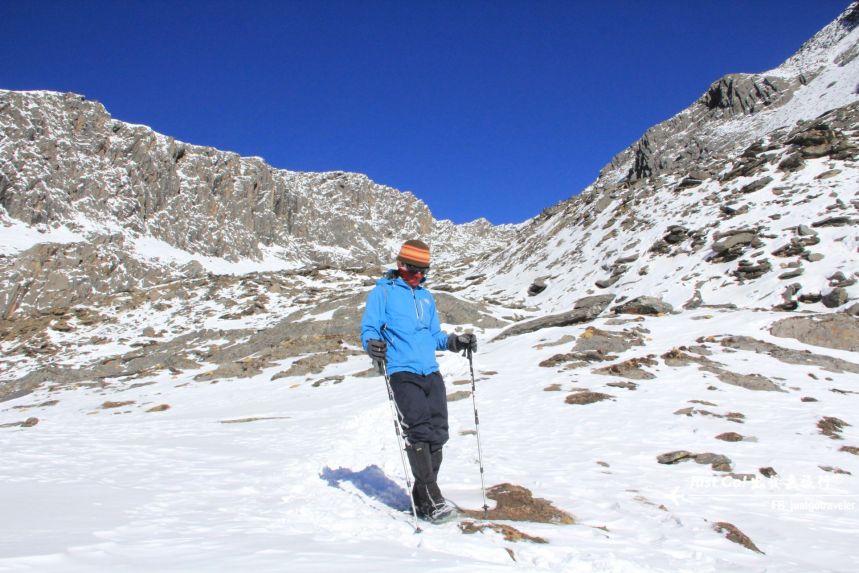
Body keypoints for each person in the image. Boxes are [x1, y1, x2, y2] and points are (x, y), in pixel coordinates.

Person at [360, 239, 477, 522]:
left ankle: (421, 495)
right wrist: (371, 344)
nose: (419, 276)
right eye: (414, 270)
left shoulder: (426, 297)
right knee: (419, 431)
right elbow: (369, 328)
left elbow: (434, 335)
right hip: (402, 371)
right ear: (401, 265)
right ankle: (433, 496)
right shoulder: (383, 293)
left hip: (430, 372)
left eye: (424, 271)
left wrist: (454, 341)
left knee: (439, 432)